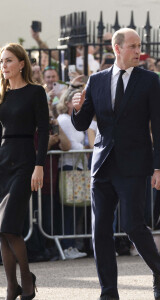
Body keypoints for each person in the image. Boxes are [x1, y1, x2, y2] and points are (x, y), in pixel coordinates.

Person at [71, 28, 160, 300]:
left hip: (135, 166)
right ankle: (108, 293)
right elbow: (82, 123)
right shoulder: (97, 80)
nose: (139, 51)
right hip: (103, 165)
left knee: (132, 224)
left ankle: (158, 269)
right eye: (133, 46)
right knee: (100, 230)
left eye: (139, 46)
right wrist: (76, 107)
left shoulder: (149, 80)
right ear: (117, 48)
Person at [0, 43, 49, 300]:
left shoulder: (35, 92)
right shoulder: (2, 95)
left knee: (9, 226)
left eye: (8, 61)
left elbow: (43, 132)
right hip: (3, 160)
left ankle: (27, 278)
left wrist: (39, 165)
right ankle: (12, 286)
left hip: (24, 161)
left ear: (21, 63)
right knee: (1, 229)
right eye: (1, 62)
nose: (4, 66)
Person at [56, 87, 88, 260]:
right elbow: (70, 144)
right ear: (67, 102)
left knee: (76, 210)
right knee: (68, 210)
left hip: (79, 168)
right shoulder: (64, 119)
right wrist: (86, 148)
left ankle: (72, 245)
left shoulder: (75, 118)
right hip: (68, 167)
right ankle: (67, 246)